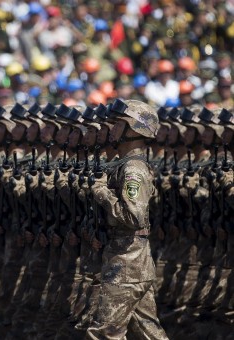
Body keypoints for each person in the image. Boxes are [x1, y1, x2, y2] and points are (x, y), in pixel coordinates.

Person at [86, 99, 168, 340]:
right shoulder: (125, 165)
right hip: (131, 261)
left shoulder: (133, 169)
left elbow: (133, 216)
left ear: (133, 128)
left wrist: (101, 193)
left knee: (104, 334)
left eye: (118, 124)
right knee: (148, 332)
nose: (111, 129)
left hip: (127, 263)